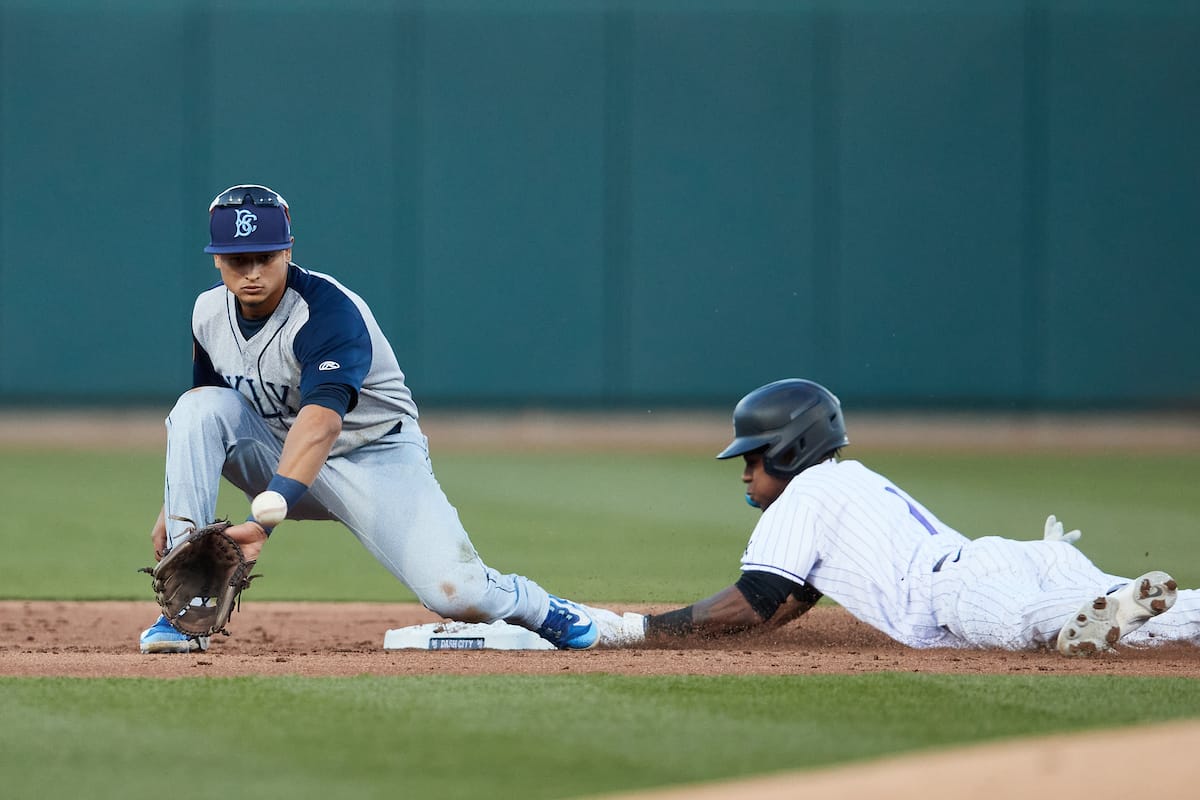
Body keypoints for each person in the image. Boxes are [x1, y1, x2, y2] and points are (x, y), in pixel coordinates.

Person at [139, 184, 598, 653]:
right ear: (217, 259)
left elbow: (321, 424)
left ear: (288, 249)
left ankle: (540, 607)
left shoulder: (328, 312)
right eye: (239, 259)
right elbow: (208, 413)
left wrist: (264, 520)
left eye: (266, 256)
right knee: (197, 404)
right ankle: (182, 614)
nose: (253, 272)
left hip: (375, 458)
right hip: (276, 452)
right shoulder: (208, 312)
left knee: (456, 594)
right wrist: (174, 507)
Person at [590, 378, 1200, 656]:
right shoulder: (851, 479)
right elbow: (790, 601)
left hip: (961, 585)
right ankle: (1125, 601)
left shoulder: (802, 496)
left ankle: (1086, 615)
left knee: (1024, 626)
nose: (745, 475)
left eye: (751, 459)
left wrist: (648, 630)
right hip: (1017, 554)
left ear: (789, 450)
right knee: (1149, 614)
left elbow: (756, 600)